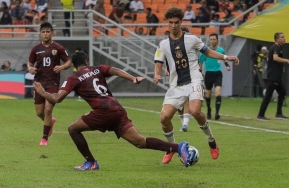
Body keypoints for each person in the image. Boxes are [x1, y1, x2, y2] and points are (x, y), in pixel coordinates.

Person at [32, 51, 191, 170]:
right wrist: (132, 78)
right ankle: (179, 147)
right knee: (139, 142)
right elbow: (114, 69)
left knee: (73, 129)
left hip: (103, 111)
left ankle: (91, 162)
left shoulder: (73, 78)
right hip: (117, 108)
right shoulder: (97, 68)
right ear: (87, 60)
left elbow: (57, 98)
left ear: (73, 65)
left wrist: (43, 93)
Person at [153, 7, 239, 164]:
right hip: (176, 85)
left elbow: (208, 52)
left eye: (176, 22)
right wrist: (157, 74)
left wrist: (227, 57)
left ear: (181, 22)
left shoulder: (192, 39)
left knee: (194, 110)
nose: (173, 25)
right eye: (170, 22)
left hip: (194, 79)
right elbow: (158, 62)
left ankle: (211, 141)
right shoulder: (163, 44)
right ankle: (172, 147)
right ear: (167, 23)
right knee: (164, 118)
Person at [27, 22, 72, 146]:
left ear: (52, 33)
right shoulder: (35, 49)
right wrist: (30, 68)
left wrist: (62, 67)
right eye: (43, 32)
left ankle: (44, 138)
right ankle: (50, 122)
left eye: (48, 31)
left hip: (53, 82)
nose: (46, 34)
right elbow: (29, 63)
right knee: (39, 113)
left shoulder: (58, 47)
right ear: (40, 33)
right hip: (39, 82)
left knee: (48, 109)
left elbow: (69, 62)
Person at [199, 33, 237, 120]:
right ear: (209, 40)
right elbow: (200, 62)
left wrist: (227, 65)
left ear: (217, 40)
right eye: (211, 39)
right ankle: (209, 110)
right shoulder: (206, 51)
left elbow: (224, 58)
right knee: (208, 95)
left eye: (214, 39)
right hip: (208, 74)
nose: (212, 41)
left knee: (218, 93)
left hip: (217, 73)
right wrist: (199, 72)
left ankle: (217, 113)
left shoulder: (221, 50)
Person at [257, 32, 289, 121]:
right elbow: (275, 58)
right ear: (277, 39)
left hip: (276, 76)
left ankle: (279, 114)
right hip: (273, 76)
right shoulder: (276, 46)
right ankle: (261, 115)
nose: (284, 38)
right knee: (268, 95)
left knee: (282, 92)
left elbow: (269, 58)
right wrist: (287, 60)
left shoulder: (277, 47)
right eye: (282, 37)